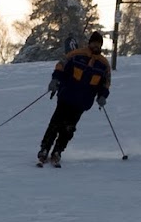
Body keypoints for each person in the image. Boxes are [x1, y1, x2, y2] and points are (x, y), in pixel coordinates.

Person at [37, 31, 111, 167]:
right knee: (55, 123)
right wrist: (55, 80)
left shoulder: (103, 64)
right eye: (94, 43)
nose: (96, 46)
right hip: (66, 96)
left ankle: (58, 151)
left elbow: (105, 83)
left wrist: (102, 96)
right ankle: (44, 149)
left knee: (69, 128)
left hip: (82, 103)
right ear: (89, 43)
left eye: (98, 44)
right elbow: (61, 66)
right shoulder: (76, 55)